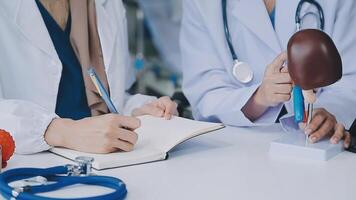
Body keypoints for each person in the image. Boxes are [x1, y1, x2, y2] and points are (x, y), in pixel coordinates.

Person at [0, 0, 178, 154]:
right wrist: (62, 132)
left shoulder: (108, 4)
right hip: (29, 165)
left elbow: (114, 96)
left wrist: (139, 111)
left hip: (107, 158)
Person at [180, 0, 356, 147]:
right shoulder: (203, 4)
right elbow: (204, 92)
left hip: (318, 146)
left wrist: (330, 114)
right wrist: (258, 98)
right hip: (236, 149)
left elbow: (350, 78)